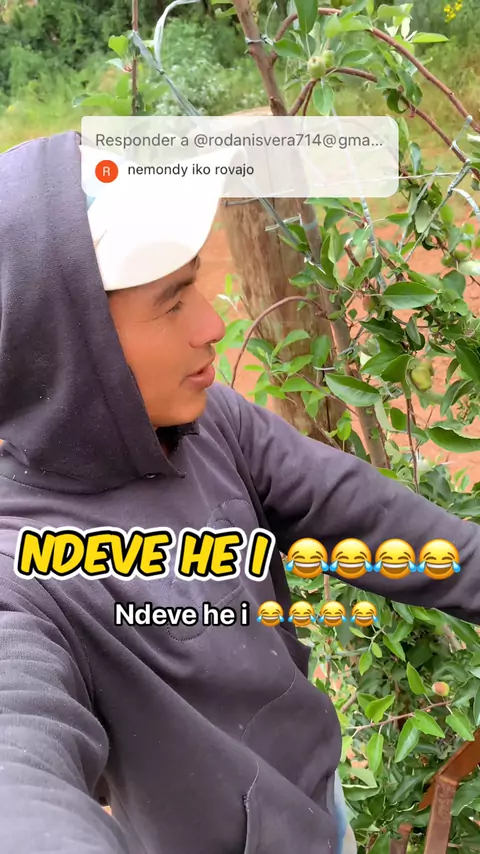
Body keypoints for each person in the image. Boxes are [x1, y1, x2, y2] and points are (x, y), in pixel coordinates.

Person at [0, 129, 479, 854]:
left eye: (195, 284)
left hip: (320, 805)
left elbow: (369, 517)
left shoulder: (209, 423)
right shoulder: (22, 571)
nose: (212, 325)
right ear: (71, 345)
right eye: (172, 303)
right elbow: (19, 766)